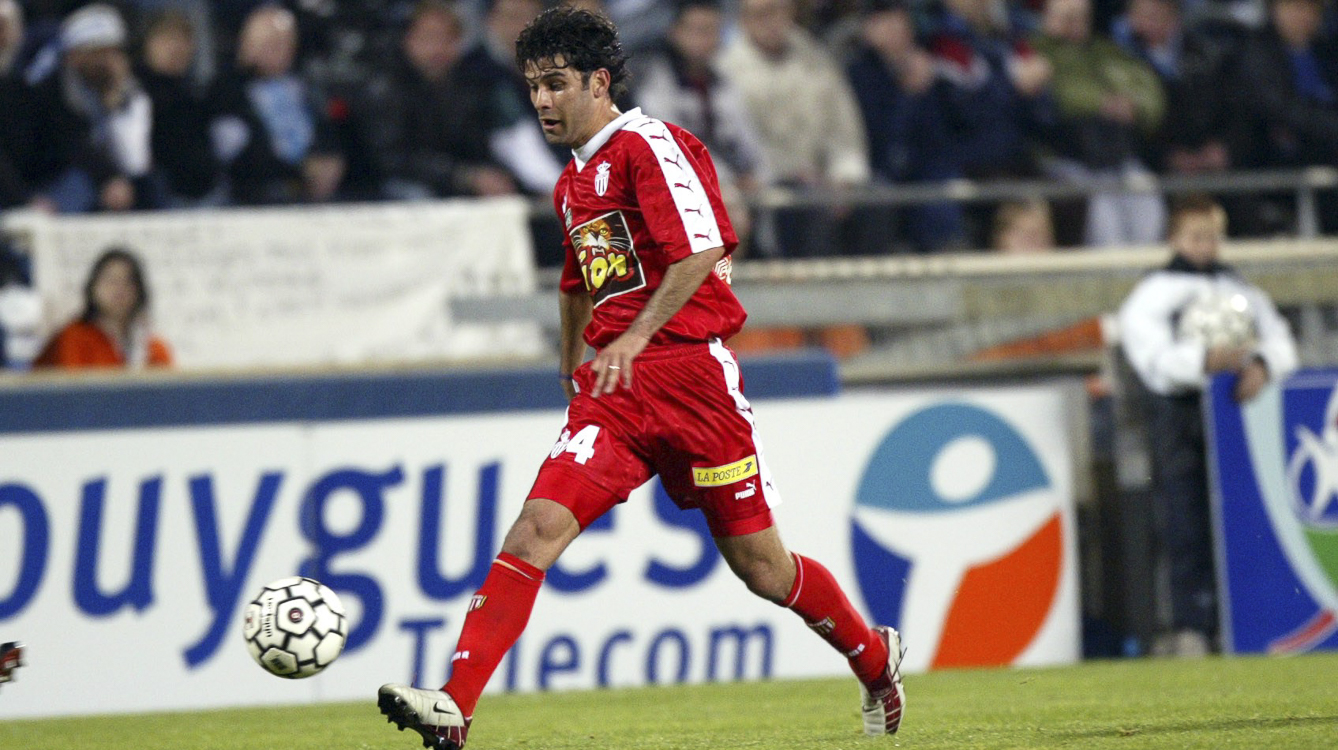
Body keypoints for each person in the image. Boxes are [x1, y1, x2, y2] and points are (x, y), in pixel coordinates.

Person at [375, 8, 905, 749]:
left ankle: (874, 658)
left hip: (692, 382)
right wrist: (571, 363)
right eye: (533, 86)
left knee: (762, 568)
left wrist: (637, 334)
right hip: (614, 395)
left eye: (556, 84)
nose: (542, 101)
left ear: (599, 82)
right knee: (534, 531)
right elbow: (577, 283)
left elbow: (702, 248)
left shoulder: (649, 145)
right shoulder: (572, 182)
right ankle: (453, 709)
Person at [1117, 195, 1298, 655]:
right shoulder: (1154, 292)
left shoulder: (1239, 288)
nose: (1206, 246)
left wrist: (1261, 365)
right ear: (1174, 239)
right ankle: (1190, 625)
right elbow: (1152, 359)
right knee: (1185, 521)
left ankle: (1240, 621)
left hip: (1235, 415)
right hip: (1178, 417)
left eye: (1213, 236)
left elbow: (1281, 341)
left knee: (1239, 519)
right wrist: (1202, 360)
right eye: (1196, 237)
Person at [1033, 0, 1167, 247]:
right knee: (1104, 216)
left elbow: (1150, 91)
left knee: (1147, 200)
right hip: (1065, 159)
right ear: (1047, 17)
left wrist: (1135, 107)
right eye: (1066, 17)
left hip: (1116, 156)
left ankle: (1145, 270)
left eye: (1080, 17)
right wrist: (1101, 103)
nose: (1073, 25)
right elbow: (1057, 94)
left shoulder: (1105, 51)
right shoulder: (1035, 50)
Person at [32, 247, 173, 369]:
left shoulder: (153, 348)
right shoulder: (73, 339)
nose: (119, 289)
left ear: (140, 290)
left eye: (128, 281)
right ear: (92, 287)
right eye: (111, 280)